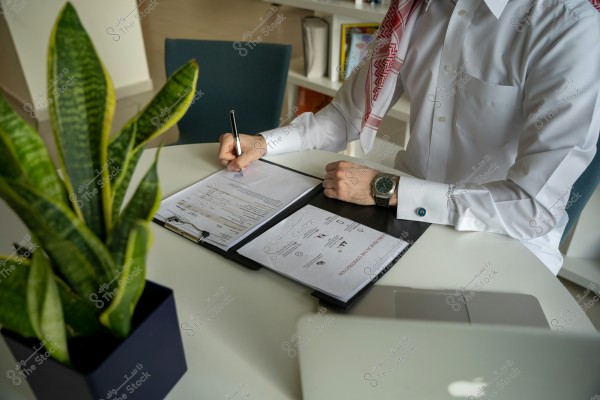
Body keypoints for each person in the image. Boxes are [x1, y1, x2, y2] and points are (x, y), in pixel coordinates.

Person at [219, 0, 600, 275]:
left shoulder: (569, 25)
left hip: (504, 244)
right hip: (398, 219)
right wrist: (266, 143)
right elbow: (344, 117)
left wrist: (389, 189)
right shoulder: (417, 9)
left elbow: (532, 208)